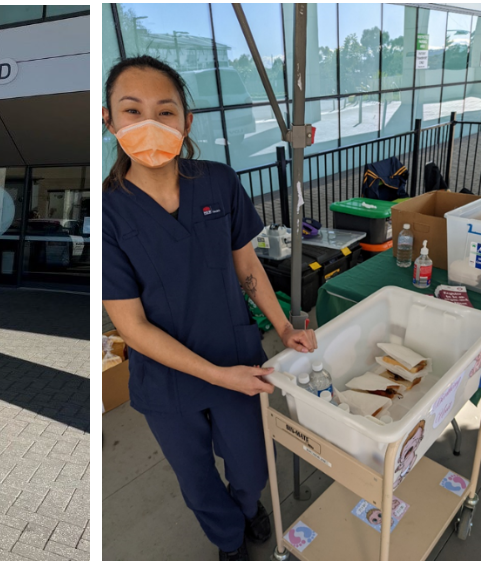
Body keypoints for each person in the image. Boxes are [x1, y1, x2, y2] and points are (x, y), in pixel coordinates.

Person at [100, 55, 318, 561]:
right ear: (108, 120)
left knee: (251, 467)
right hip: (166, 379)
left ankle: (245, 508)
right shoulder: (109, 210)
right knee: (196, 480)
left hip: (236, 353)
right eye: (132, 111)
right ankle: (228, 539)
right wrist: (220, 377)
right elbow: (130, 325)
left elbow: (248, 268)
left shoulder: (218, 182)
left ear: (186, 121)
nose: (150, 124)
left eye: (166, 111)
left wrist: (285, 328)